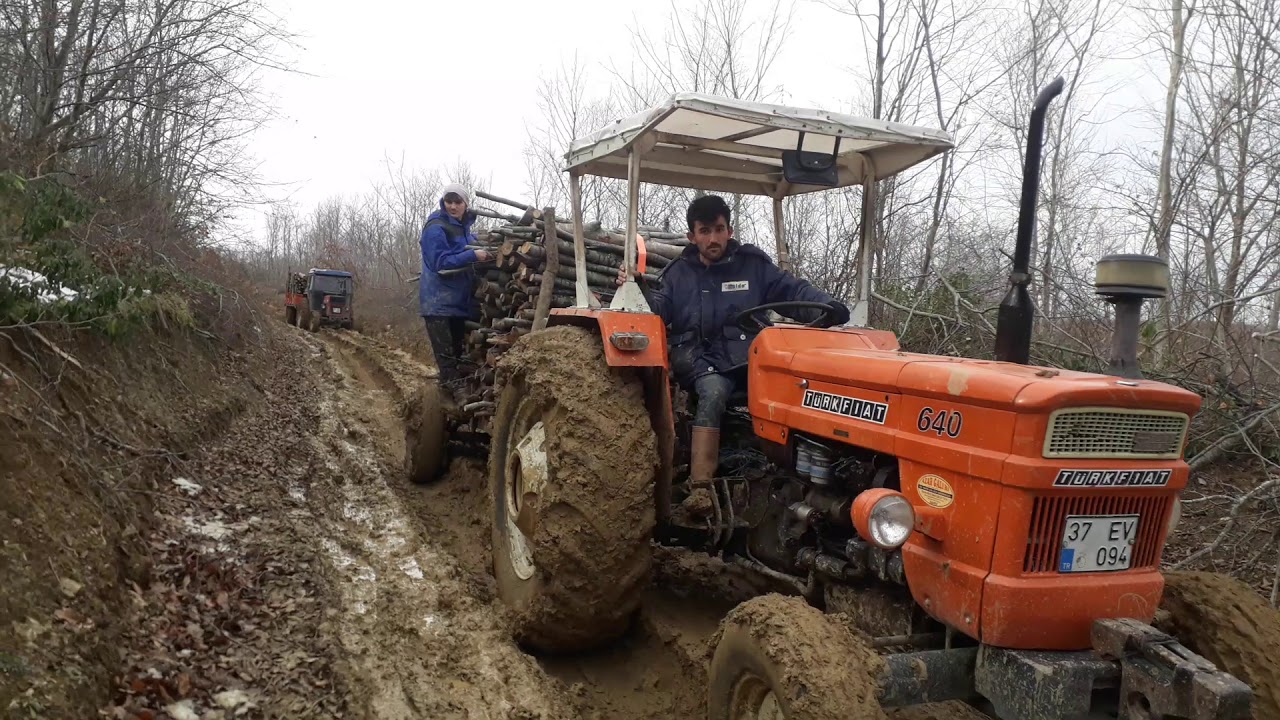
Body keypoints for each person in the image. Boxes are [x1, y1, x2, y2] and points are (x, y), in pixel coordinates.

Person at [616, 194, 849, 488]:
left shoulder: (752, 266)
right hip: (698, 357)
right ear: (692, 236)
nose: (713, 238)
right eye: (704, 231)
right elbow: (657, 308)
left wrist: (827, 305)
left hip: (747, 356)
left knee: (799, 391)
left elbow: (793, 290)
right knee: (713, 393)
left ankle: (789, 475)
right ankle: (700, 486)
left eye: (718, 229)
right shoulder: (679, 274)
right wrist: (637, 288)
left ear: (729, 231)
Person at [419, 184, 492, 404]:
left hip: (459, 304)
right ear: (443, 202)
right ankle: (458, 400)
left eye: (457, 202)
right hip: (438, 304)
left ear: (465, 204)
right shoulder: (436, 227)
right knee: (448, 360)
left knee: (459, 356)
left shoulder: (463, 228)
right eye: (449, 201)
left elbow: (468, 247)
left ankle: (455, 400)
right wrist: (473, 256)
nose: (452, 206)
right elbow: (441, 263)